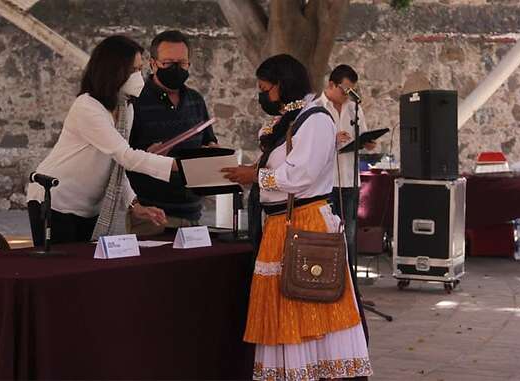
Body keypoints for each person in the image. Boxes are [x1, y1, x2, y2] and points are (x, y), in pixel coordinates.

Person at [222, 55, 372, 380]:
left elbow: (299, 174)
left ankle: (315, 372)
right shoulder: (292, 120)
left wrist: (256, 175)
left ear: (282, 85)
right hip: (283, 224)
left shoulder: (315, 120)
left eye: (265, 88)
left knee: (309, 302)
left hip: (304, 223)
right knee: (289, 306)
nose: (262, 95)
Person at [27, 35, 175, 245]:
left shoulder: (126, 109)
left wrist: (134, 204)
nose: (139, 76)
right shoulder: (87, 107)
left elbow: (116, 166)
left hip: (89, 207)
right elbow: (126, 156)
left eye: (141, 69)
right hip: (55, 200)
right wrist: (177, 166)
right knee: (61, 272)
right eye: (133, 70)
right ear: (113, 71)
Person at [126, 30, 217, 236]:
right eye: (168, 63)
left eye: (182, 63)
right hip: (149, 216)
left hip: (192, 215)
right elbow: (120, 155)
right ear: (153, 63)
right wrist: (148, 156)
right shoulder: (134, 100)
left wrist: (212, 151)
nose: (176, 68)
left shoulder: (195, 100)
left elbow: (208, 141)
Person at [318, 64, 375, 263]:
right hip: (325, 183)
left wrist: (367, 142)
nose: (347, 95)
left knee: (349, 237)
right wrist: (331, 140)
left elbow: (363, 135)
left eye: (352, 91)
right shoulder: (317, 108)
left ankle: (351, 285)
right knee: (327, 235)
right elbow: (309, 146)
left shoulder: (354, 109)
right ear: (331, 84)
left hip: (350, 181)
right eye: (345, 90)